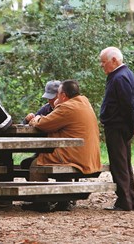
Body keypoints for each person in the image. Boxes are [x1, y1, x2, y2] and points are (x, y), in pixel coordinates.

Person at [27, 80, 102, 211]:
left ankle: (41, 202)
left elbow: (44, 124)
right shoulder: (84, 102)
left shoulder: (67, 107)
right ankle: (64, 200)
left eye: (59, 93)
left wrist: (37, 119)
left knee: (36, 164)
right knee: (57, 158)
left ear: (64, 95)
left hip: (75, 155)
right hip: (86, 155)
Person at [99, 46, 134, 211]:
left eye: (103, 62)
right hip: (123, 125)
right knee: (125, 164)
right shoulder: (128, 74)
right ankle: (132, 200)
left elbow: (128, 104)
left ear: (114, 60)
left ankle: (124, 201)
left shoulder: (119, 77)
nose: (101, 66)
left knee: (119, 165)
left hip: (117, 126)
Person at [20, 80, 61, 169]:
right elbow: (26, 124)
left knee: (34, 165)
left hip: (60, 151)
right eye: (48, 98)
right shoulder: (46, 108)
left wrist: (39, 121)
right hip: (44, 149)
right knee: (25, 164)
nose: (50, 100)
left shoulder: (64, 109)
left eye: (52, 97)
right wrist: (27, 120)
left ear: (61, 95)